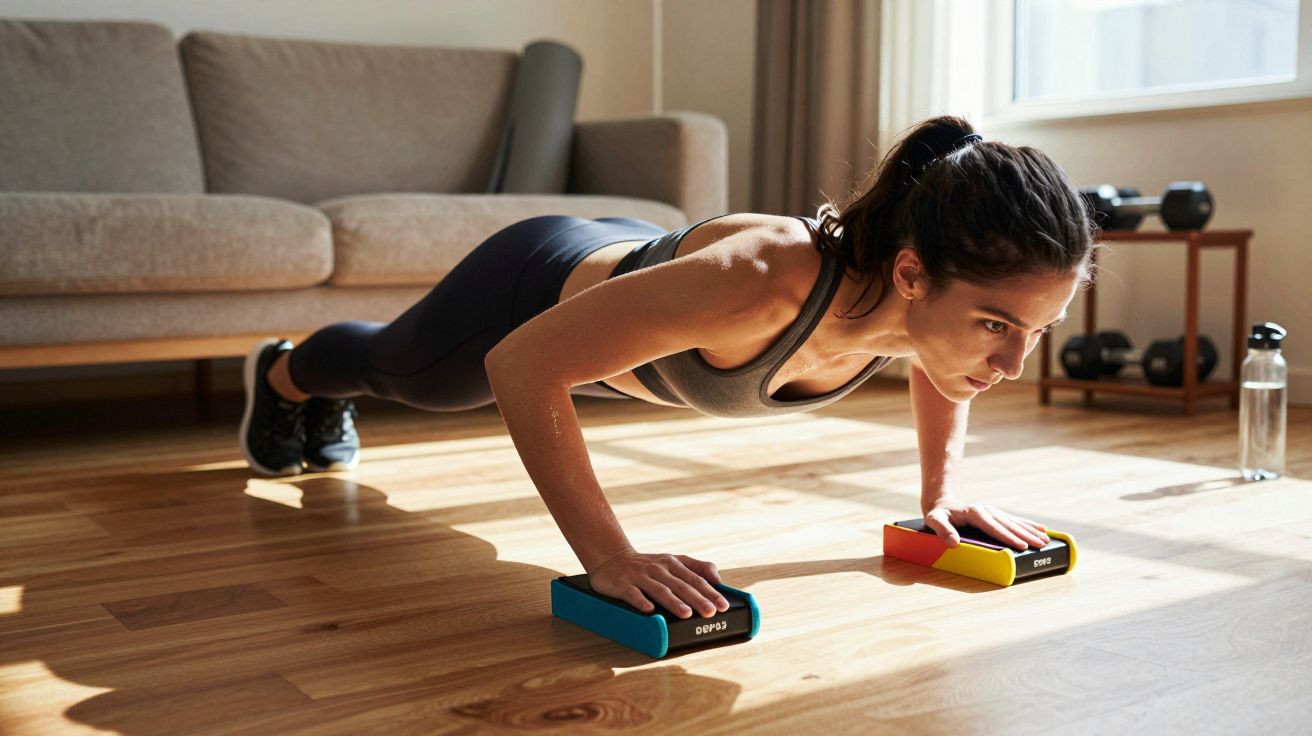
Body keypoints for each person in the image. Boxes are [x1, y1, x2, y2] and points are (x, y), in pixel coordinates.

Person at [239, 114, 1099, 622]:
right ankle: (285, 375)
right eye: (996, 324)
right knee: (397, 371)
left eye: (1039, 329)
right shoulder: (765, 283)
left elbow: (934, 356)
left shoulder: (910, 297)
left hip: (625, 255)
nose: (1013, 362)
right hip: (525, 287)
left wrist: (939, 497)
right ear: (913, 273)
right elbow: (522, 363)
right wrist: (608, 557)